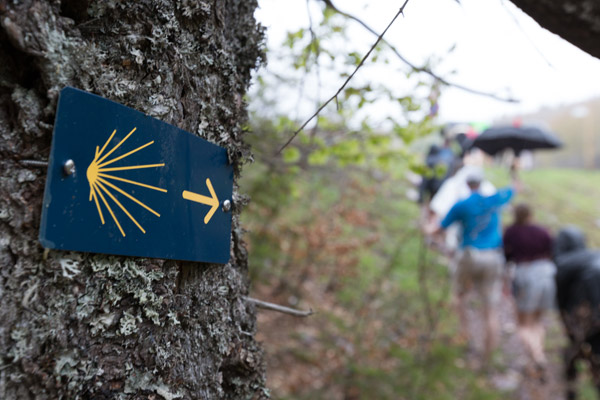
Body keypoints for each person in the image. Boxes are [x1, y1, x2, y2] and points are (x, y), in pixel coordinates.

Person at [428, 168, 515, 364]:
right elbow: (514, 189)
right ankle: (488, 354)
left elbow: (439, 229)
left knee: (459, 296)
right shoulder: (495, 200)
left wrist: (429, 230)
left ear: (468, 184)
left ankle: (465, 336)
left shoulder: (461, 205)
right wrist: (514, 171)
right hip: (493, 257)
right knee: (490, 308)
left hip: (468, 255)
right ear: (482, 183)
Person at [503, 203, 556, 378]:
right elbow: (553, 251)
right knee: (538, 322)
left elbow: (506, 256)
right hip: (548, 275)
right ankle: (535, 357)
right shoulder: (542, 231)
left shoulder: (511, 232)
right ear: (531, 214)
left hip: (526, 276)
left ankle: (538, 357)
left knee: (524, 324)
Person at [553, 226, 600, 400]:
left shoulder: (564, 263)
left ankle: (571, 390)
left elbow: (561, 300)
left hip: (588, 315)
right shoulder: (593, 254)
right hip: (591, 313)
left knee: (574, 351)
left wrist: (568, 324)